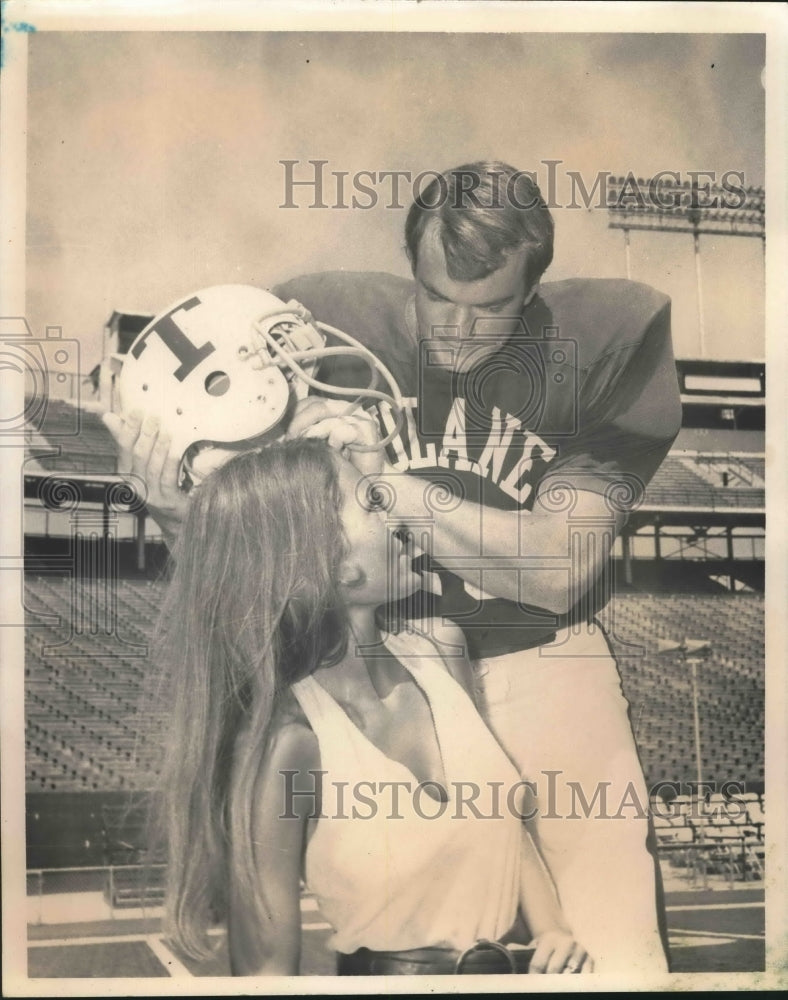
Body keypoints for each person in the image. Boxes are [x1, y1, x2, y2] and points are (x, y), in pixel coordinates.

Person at [105, 160, 681, 972]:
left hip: (543, 660)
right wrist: (172, 508)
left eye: (491, 308)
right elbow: (269, 554)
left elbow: (557, 567)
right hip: (400, 664)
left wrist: (384, 489)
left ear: (535, 290)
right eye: (435, 295)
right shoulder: (326, 324)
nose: (455, 329)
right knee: (414, 939)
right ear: (409, 264)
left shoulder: (604, 340)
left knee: (617, 951)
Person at [152, 434, 590, 976]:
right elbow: (264, 974)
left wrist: (552, 930)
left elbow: (497, 816)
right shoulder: (288, 742)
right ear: (327, 561)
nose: (403, 515)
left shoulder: (441, 649)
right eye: (374, 504)